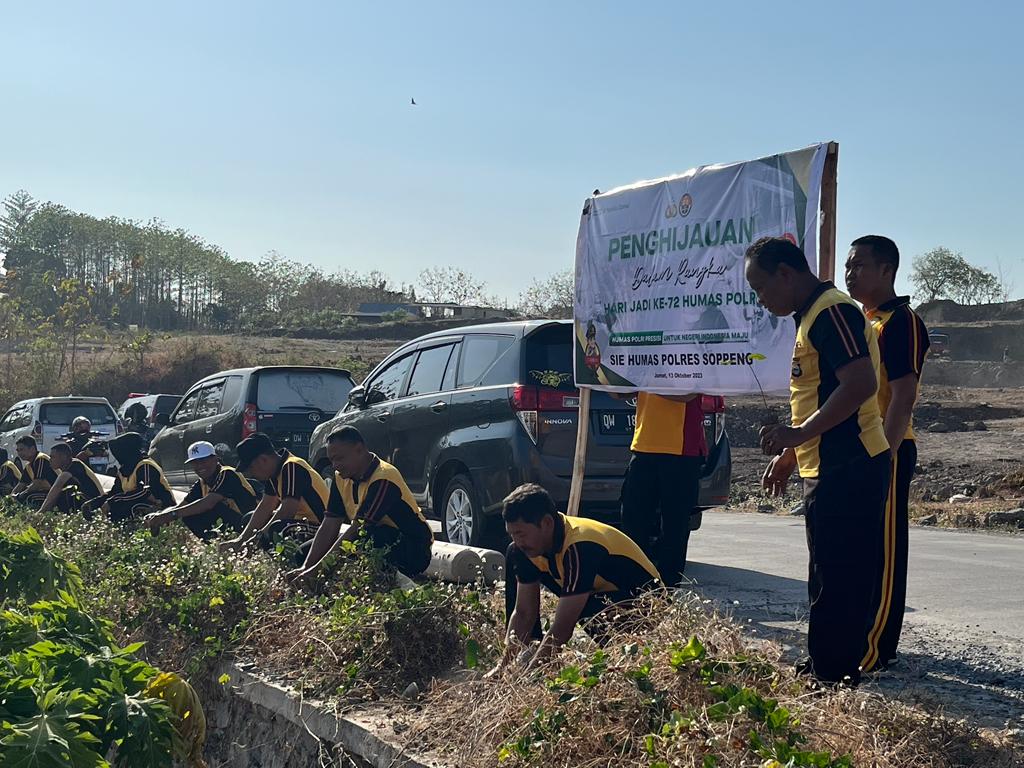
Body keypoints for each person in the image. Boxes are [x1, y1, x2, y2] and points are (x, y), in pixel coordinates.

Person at [746, 236, 891, 686]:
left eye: (761, 287)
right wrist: (792, 453)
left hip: (852, 463)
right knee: (825, 572)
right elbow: (818, 393)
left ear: (786, 274)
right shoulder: (810, 316)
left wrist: (797, 435)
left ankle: (834, 676)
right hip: (826, 466)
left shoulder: (832, 311)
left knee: (842, 577)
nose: (760, 299)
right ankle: (824, 665)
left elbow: (860, 383)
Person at [846, 235, 930, 668]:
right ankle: (853, 639)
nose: (850, 274)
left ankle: (876, 650)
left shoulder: (901, 322)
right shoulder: (862, 320)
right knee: (859, 546)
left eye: (859, 265)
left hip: (888, 450)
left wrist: (886, 455)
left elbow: (903, 396)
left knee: (884, 550)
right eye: (848, 266)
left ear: (886, 270)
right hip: (859, 450)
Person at [493, 483, 660, 674]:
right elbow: (523, 612)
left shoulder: (580, 546)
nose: (517, 541)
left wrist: (532, 674)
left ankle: (624, 662)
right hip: (599, 597)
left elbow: (563, 626)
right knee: (513, 553)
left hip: (646, 607)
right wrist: (503, 668)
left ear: (546, 523)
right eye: (512, 534)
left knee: (583, 606)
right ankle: (531, 648)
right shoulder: (525, 548)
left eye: (521, 534)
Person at [286, 427, 433, 582]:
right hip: (373, 538)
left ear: (359, 450)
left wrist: (317, 571)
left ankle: (397, 583)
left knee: (370, 537)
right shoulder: (340, 478)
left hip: (413, 550)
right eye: (332, 460)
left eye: (340, 458)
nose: (335, 465)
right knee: (303, 553)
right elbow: (330, 523)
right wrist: (307, 566)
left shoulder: (383, 478)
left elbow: (358, 529)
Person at [617, 390, 706, 586]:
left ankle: (667, 592)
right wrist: (596, 378)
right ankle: (635, 589)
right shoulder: (644, 372)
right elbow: (620, 393)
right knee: (632, 521)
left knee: (674, 527)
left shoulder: (689, 364)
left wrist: (647, 382)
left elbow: (688, 394)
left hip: (681, 449)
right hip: (643, 445)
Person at [221, 433, 328, 553]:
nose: (251, 474)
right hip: (299, 523)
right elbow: (265, 507)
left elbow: (287, 512)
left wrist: (257, 538)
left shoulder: (291, 466)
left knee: (277, 528)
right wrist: (240, 540)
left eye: (251, 468)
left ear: (263, 460)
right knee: (249, 518)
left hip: (320, 527)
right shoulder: (274, 472)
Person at [144, 441, 256, 539]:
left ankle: (231, 541)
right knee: (188, 513)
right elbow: (182, 506)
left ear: (215, 459)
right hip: (232, 523)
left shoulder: (227, 473)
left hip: (250, 522)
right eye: (195, 463)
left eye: (203, 461)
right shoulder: (202, 482)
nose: (199, 466)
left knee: (208, 507)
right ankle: (214, 543)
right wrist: (159, 515)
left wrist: (171, 515)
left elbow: (208, 503)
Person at [82, 432, 175, 522]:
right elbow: (115, 492)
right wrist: (93, 504)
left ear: (126, 451)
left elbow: (145, 492)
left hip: (161, 508)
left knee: (122, 506)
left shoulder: (145, 465)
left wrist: (112, 501)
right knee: (117, 506)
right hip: (141, 504)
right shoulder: (124, 470)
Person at [37, 442, 105, 513]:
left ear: (63, 457)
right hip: (89, 502)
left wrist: (41, 512)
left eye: (53, 457)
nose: (50, 460)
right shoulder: (71, 464)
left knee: (64, 493)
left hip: (94, 504)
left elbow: (56, 487)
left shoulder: (74, 466)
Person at [11, 436, 58, 507]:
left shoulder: (40, 458)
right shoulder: (28, 466)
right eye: (18, 450)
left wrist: (21, 495)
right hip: (48, 493)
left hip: (57, 494)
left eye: (22, 449)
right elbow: (21, 484)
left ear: (32, 449)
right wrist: (11, 496)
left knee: (30, 497)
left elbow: (38, 483)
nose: (19, 453)